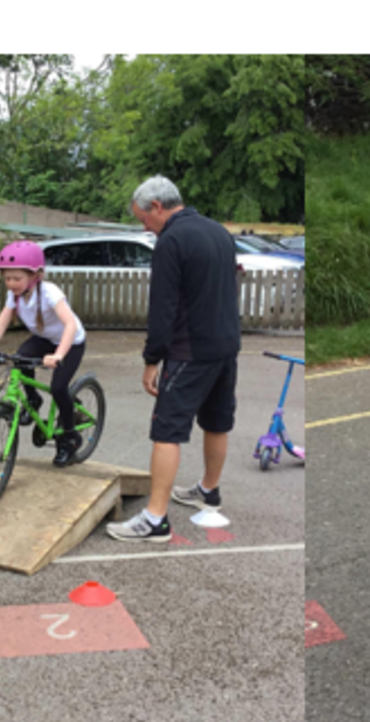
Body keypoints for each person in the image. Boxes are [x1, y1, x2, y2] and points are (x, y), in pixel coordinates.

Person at [107, 175, 241, 542]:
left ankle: (155, 519)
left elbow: (162, 308)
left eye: (143, 219)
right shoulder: (219, 232)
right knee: (217, 420)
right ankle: (208, 491)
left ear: (157, 206)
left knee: (167, 430)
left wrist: (153, 359)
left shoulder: (172, 241)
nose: (144, 228)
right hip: (226, 346)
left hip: (189, 350)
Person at [0, 240, 88, 466]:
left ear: (35, 275)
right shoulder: (15, 296)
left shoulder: (49, 292)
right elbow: (1, 323)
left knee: (58, 388)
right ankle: (33, 400)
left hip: (70, 342)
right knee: (20, 359)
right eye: (7, 278)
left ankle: (69, 438)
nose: (11, 283)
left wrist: (58, 355)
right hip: (45, 339)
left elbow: (70, 325)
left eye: (17, 278)